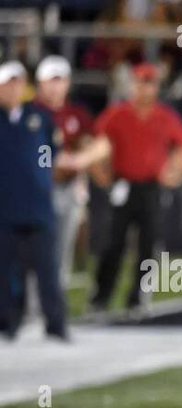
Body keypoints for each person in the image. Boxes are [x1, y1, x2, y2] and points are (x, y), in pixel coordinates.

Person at [90, 62, 182, 314]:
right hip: (123, 185)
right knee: (112, 242)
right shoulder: (117, 114)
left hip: (152, 187)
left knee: (149, 243)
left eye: (149, 83)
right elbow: (97, 144)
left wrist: (175, 173)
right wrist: (100, 173)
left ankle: (139, 298)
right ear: (133, 85)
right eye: (141, 83)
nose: (145, 89)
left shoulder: (165, 116)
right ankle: (101, 297)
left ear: (156, 87)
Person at [0, 61, 69, 342]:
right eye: (8, 83)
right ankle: (8, 322)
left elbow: (49, 154)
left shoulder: (39, 118)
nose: (14, 88)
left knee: (47, 270)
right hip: (4, 209)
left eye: (18, 83)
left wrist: (41, 177)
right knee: (5, 271)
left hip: (38, 207)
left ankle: (55, 324)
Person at [34, 56, 103, 290]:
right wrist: (57, 158)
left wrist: (83, 159)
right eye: (50, 81)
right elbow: (36, 153)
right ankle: (29, 306)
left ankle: (56, 301)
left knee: (63, 248)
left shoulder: (77, 114)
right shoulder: (31, 113)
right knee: (36, 248)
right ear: (40, 83)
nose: (55, 87)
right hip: (38, 190)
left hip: (69, 187)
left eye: (60, 80)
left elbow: (95, 143)